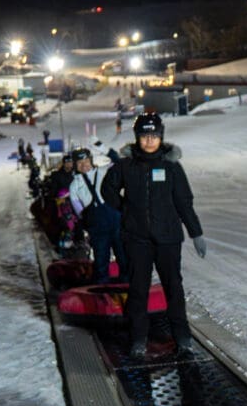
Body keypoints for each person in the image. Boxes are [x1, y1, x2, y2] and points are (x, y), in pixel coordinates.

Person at [101, 113, 206, 360]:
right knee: (139, 289)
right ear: (138, 138)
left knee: (174, 288)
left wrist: (196, 232)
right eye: (145, 136)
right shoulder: (126, 166)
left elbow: (184, 201)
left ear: (161, 137)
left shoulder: (171, 166)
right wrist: (124, 210)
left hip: (168, 238)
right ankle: (138, 339)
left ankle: (183, 338)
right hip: (137, 239)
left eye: (154, 136)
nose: (149, 141)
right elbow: (108, 189)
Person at [68, 147, 127, 284]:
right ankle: (102, 290)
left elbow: (118, 161)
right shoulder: (74, 185)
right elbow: (79, 210)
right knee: (101, 260)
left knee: (124, 256)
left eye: (86, 161)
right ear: (75, 165)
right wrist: (89, 225)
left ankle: (128, 284)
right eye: (80, 163)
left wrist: (103, 148)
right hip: (97, 227)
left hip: (116, 222)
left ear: (91, 160)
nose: (84, 165)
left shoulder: (103, 171)